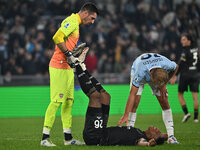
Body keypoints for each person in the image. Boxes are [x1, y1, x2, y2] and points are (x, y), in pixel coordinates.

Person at [69, 55, 168, 146]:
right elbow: (164, 136)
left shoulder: (141, 138)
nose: (158, 129)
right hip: (102, 130)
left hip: (95, 137)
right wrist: (168, 135)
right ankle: (83, 68)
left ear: (152, 137)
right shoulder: (139, 131)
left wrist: (148, 144)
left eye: (158, 132)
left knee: (95, 97)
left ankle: (75, 65)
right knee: (106, 96)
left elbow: (141, 143)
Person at [40, 2, 98, 147]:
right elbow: (57, 37)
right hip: (58, 66)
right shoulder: (71, 21)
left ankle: (68, 138)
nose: (92, 22)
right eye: (92, 18)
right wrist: (68, 54)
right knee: (56, 101)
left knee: (68, 102)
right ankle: (44, 138)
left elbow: (67, 46)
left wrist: (73, 58)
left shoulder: (75, 24)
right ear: (85, 13)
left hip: (67, 67)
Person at [118, 53, 179, 144]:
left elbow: (176, 67)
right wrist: (126, 114)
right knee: (135, 103)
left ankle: (171, 137)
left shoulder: (166, 64)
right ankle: (129, 134)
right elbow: (132, 94)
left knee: (164, 100)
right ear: (150, 75)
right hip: (139, 66)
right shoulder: (140, 71)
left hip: (155, 71)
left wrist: (164, 84)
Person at [170, 34, 199, 123]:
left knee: (180, 94)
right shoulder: (197, 49)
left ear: (189, 41)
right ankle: (196, 118)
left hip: (185, 75)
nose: (182, 41)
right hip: (195, 74)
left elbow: (181, 63)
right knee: (195, 96)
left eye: (184, 39)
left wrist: (175, 75)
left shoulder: (185, 51)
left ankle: (186, 113)